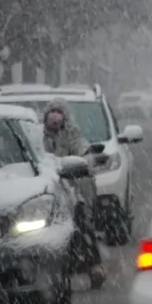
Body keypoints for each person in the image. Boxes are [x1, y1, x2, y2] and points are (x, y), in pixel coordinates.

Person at [42, 98, 106, 289]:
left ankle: (94, 265)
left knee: (82, 223)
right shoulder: (36, 136)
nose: (55, 116)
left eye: (58, 112)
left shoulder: (72, 133)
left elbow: (82, 150)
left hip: (69, 190)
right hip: (44, 192)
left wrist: (85, 164)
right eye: (51, 111)